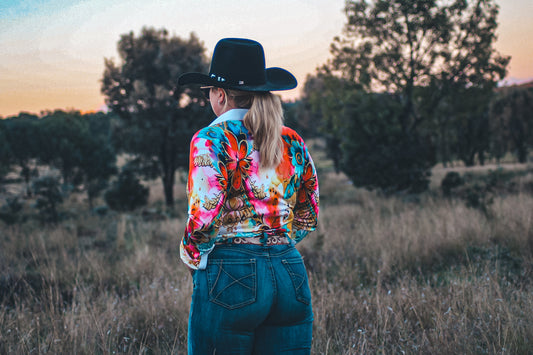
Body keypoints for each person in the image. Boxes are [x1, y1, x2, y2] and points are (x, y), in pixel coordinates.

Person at [178, 38, 319, 355]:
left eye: (210, 91)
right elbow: (309, 212)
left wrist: (192, 258)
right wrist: (278, 243)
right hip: (290, 271)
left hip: (231, 272)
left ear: (221, 95)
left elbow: (204, 215)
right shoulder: (291, 139)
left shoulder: (211, 138)